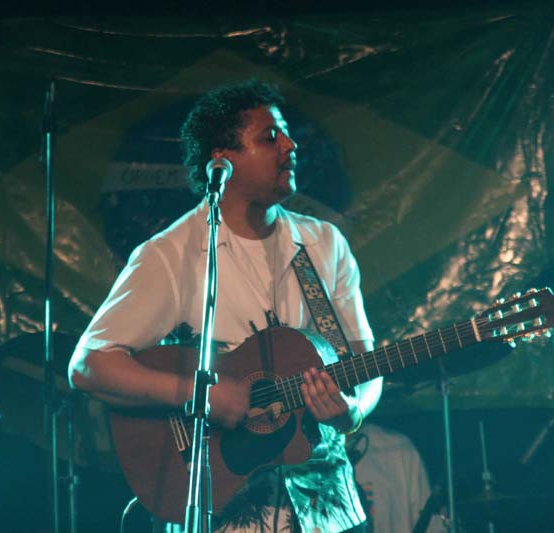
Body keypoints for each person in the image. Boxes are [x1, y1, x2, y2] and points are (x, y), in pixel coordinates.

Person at [68, 79, 383, 533]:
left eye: (286, 133)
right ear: (223, 160)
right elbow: (89, 366)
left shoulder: (322, 244)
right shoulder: (173, 254)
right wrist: (199, 395)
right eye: (270, 137)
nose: (290, 145)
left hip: (327, 508)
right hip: (223, 508)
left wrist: (353, 410)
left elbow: (364, 362)